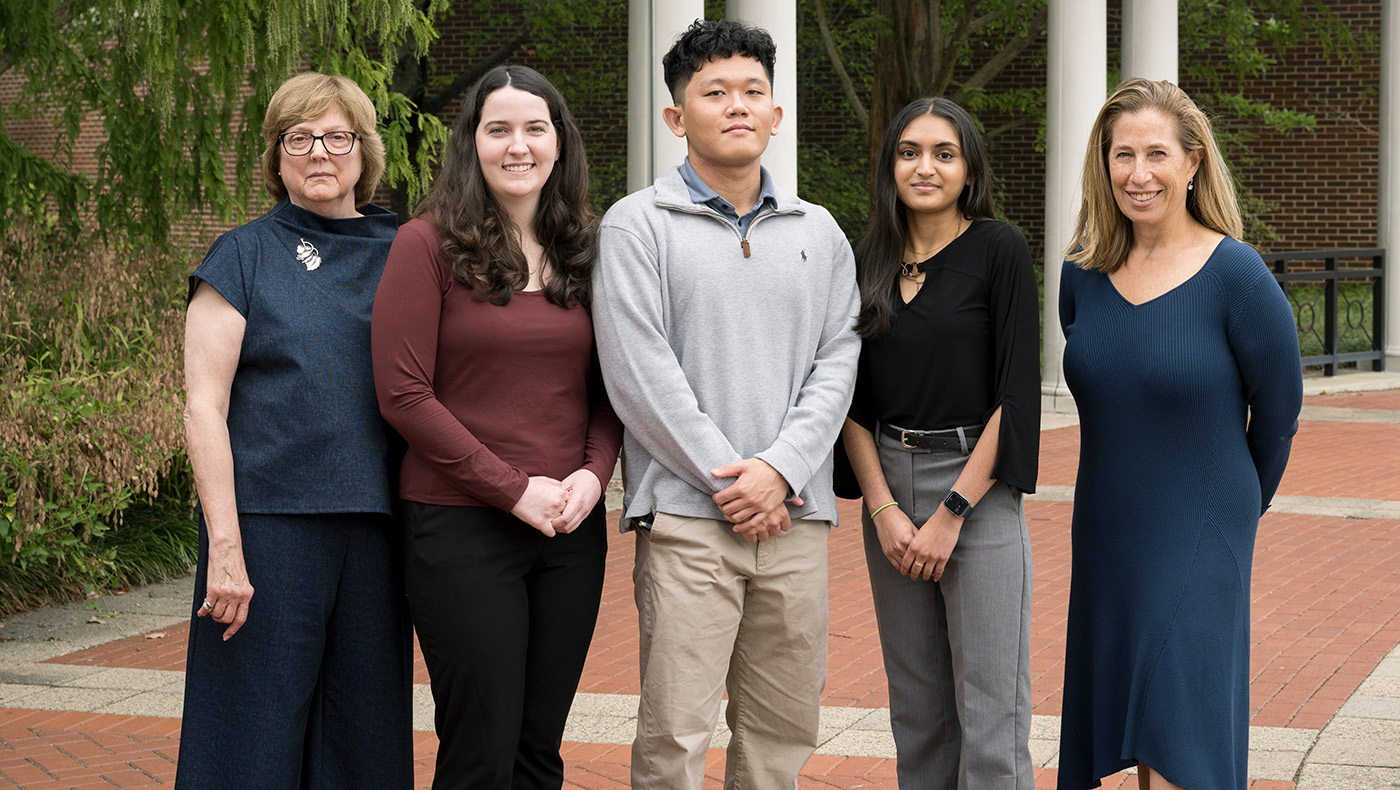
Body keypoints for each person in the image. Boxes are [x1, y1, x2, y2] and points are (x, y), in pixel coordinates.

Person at [591, 18, 862, 790]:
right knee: (675, 732)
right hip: (685, 518)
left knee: (782, 732)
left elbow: (838, 360)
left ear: (777, 114)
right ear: (677, 117)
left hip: (797, 519)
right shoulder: (636, 226)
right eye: (714, 92)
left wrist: (778, 471)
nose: (736, 105)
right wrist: (735, 481)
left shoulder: (822, 233)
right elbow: (641, 374)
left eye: (753, 91)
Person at [371, 64, 621, 790]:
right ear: (472, 144)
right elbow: (404, 394)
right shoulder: (425, 244)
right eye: (498, 129)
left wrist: (590, 476)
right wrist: (513, 491)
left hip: (570, 530)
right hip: (460, 527)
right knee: (480, 747)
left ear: (559, 142)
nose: (518, 145)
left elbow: (612, 390)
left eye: (534, 128)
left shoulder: (589, 246)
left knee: (539, 749)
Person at [1056, 78, 1303, 790]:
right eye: (1122, 154)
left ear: (1193, 163)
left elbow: (1279, 416)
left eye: (1157, 154)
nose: (1139, 173)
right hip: (1108, 526)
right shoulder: (1085, 273)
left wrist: (1234, 513)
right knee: (1142, 728)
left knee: (1177, 734)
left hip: (1203, 529)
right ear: (1103, 165)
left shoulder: (1237, 275)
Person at [178, 72, 412, 788]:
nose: (319, 152)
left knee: (364, 740)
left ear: (363, 151)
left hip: (380, 529)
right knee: (250, 738)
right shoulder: (241, 256)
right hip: (267, 532)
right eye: (299, 137)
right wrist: (226, 550)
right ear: (277, 157)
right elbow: (203, 408)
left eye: (337, 136)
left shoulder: (407, 252)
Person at [842, 97, 1040, 788]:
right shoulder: (864, 258)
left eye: (943, 153)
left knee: (991, 713)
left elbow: (1014, 397)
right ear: (890, 164)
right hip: (889, 488)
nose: (924, 167)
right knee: (918, 711)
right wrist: (884, 510)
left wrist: (952, 512)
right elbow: (850, 403)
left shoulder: (999, 249)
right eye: (909, 151)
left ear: (968, 168)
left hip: (977, 490)